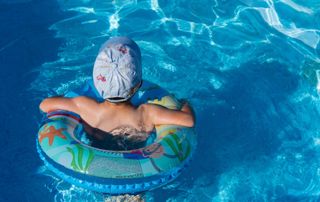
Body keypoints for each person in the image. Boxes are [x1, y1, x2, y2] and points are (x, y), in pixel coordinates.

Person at [39, 37, 194, 149]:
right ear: (138, 86)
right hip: (137, 168)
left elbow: (45, 104)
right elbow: (188, 120)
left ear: (97, 85)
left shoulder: (85, 106)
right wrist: (183, 102)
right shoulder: (147, 113)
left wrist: (66, 96)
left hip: (95, 165)